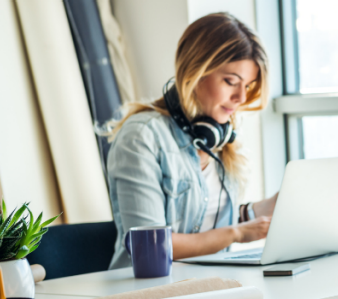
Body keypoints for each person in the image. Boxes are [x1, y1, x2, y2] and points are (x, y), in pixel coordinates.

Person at [106, 12, 277, 269]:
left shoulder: (219, 139)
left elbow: (208, 221)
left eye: (248, 85)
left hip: (212, 284)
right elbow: (150, 246)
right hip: (150, 290)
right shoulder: (142, 137)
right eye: (231, 81)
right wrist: (238, 234)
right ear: (196, 71)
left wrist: (269, 207)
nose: (241, 97)